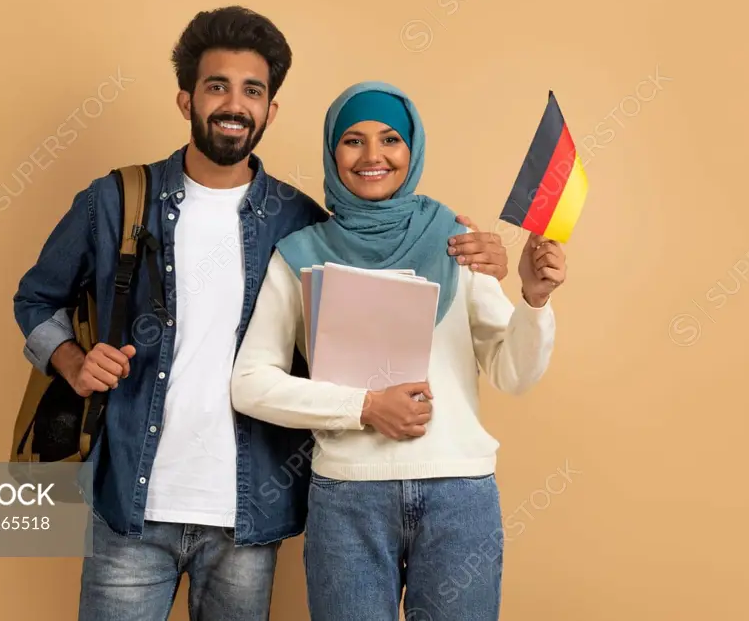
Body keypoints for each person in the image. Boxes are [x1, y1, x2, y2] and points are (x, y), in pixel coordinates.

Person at [12, 10, 512, 621]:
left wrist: (465, 246)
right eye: (216, 85)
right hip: (133, 506)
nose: (234, 104)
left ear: (270, 110)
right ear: (185, 99)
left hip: (249, 514)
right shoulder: (118, 198)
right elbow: (36, 299)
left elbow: (384, 281)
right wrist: (71, 360)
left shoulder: (300, 224)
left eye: (252, 90)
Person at [230, 80, 568, 621]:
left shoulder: (458, 241)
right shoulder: (299, 255)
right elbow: (249, 383)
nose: (372, 156)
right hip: (348, 498)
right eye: (352, 141)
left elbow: (513, 373)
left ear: (412, 151)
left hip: (460, 493)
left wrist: (534, 299)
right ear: (331, 150)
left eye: (390, 139)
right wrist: (363, 407)